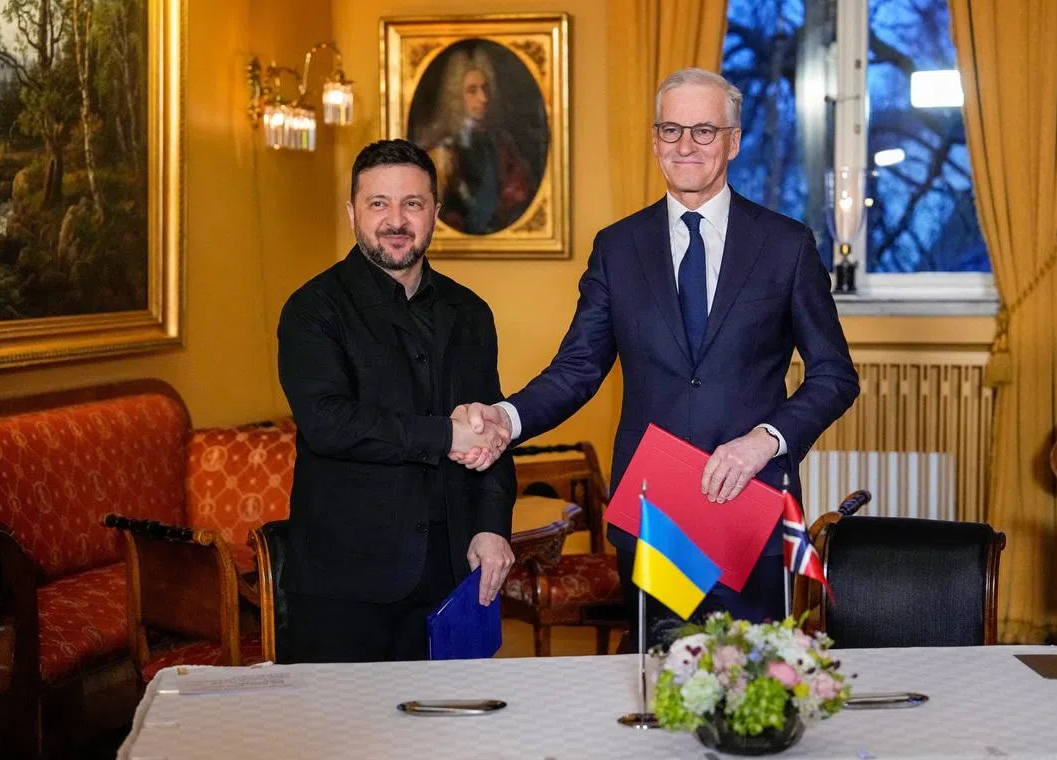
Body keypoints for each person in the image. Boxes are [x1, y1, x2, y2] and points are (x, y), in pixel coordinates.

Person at [455, 68, 859, 643]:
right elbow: (578, 368)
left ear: (734, 141)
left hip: (749, 505)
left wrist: (764, 439)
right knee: (661, 682)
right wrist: (507, 417)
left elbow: (834, 375)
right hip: (655, 512)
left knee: (754, 686)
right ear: (654, 141)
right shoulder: (618, 247)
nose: (686, 145)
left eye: (703, 130)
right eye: (671, 130)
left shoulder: (786, 245)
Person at [276, 139, 516, 663]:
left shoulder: (470, 312)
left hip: (451, 575)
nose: (395, 220)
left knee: (450, 740)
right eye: (377, 203)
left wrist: (493, 528)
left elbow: (492, 429)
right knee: (342, 744)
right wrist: (448, 433)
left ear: (435, 212)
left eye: (412, 203)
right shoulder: (312, 309)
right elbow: (329, 422)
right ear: (352, 213)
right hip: (344, 585)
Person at [417, 45, 535, 235]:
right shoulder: (439, 150)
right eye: (472, 91)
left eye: (485, 88)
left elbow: (521, 193)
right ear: (455, 97)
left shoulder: (502, 142)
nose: (483, 98)